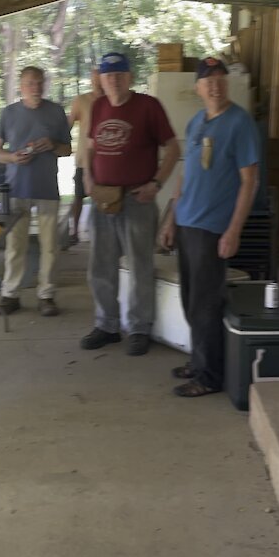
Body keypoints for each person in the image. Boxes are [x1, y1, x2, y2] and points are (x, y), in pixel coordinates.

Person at [159, 57, 260, 397]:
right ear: (198, 88)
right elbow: (185, 175)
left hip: (213, 226)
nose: (214, 85)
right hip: (187, 221)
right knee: (191, 300)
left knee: (206, 303)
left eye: (219, 79)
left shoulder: (240, 123)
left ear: (226, 84)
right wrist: (171, 218)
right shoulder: (196, 123)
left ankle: (209, 376)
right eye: (208, 81)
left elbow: (250, 182)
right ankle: (199, 360)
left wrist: (233, 230)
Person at [80, 52, 180, 356]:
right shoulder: (98, 106)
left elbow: (174, 148)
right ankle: (107, 325)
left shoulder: (149, 106)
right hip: (102, 199)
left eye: (120, 74)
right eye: (109, 75)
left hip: (138, 199)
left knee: (139, 266)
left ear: (130, 77)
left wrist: (157, 183)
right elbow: (89, 146)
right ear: (101, 79)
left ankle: (139, 328)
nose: (114, 80)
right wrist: (86, 176)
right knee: (100, 266)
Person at [0, 66, 72, 317]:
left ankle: (46, 295)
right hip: (17, 188)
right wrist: (12, 158)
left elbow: (67, 150)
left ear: (45, 84)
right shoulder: (9, 113)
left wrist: (53, 144)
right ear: (20, 86)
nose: (35, 88)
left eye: (39, 83)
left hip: (47, 187)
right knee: (16, 245)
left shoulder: (56, 112)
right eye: (29, 84)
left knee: (50, 246)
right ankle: (10, 294)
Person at [66, 68, 102, 248]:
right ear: (90, 80)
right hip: (83, 159)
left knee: (103, 197)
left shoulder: (111, 100)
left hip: (105, 160)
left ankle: (99, 231)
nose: (98, 82)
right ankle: (74, 231)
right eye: (94, 78)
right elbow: (68, 125)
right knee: (79, 196)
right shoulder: (81, 100)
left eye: (100, 78)